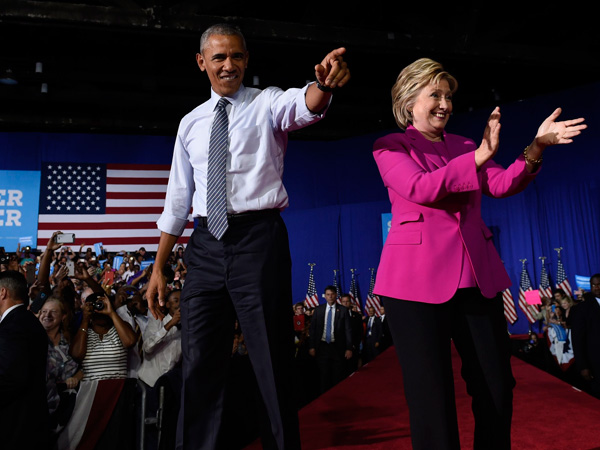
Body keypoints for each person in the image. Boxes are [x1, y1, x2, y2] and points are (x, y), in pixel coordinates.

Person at [145, 22, 350, 450]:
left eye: (237, 56)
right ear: (201, 62)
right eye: (219, 57)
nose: (229, 65)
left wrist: (323, 86)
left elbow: (304, 105)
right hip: (205, 245)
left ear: (246, 60)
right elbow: (178, 200)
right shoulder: (190, 123)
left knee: (271, 361)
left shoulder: (266, 102)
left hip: (259, 240)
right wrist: (158, 267)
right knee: (198, 363)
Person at [372, 57, 586, 450]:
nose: (445, 104)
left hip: (475, 277)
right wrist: (478, 157)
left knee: (497, 386)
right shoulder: (390, 146)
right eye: (435, 95)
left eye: (448, 96)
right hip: (413, 286)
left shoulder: (466, 146)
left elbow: (501, 184)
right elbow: (420, 188)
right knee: (431, 399)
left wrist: (536, 146)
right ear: (408, 102)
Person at [0, 270, 50, 448]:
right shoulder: (28, 321)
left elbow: (10, 378)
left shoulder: (12, 327)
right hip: (31, 423)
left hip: (14, 425)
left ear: (3, 292)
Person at [308, 286, 353, 393]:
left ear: (336, 295)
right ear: (325, 296)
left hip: (337, 347)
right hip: (322, 347)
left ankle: (336, 397)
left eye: (332, 294)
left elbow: (348, 330)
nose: (330, 296)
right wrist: (312, 346)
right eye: (328, 294)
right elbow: (312, 330)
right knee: (324, 375)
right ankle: (324, 398)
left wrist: (349, 348)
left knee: (337, 375)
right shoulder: (318, 310)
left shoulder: (343, 310)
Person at [571, 273, 600, 398]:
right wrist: (582, 366)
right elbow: (577, 339)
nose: (596, 287)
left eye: (599, 284)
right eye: (593, 285)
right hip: (595, 362)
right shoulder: (582, 308)